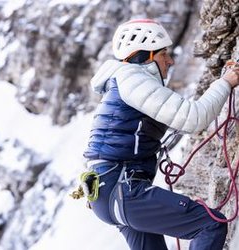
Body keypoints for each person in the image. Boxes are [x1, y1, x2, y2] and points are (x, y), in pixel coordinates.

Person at [82, 18, 239, 250]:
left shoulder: (119, 84)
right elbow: (194, 118)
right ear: (146, 55)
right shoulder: (132, 79)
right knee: (210, 224)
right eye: (164, 53)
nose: (170, 60)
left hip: (107, 194)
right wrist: (226, 82)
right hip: (124, 190)